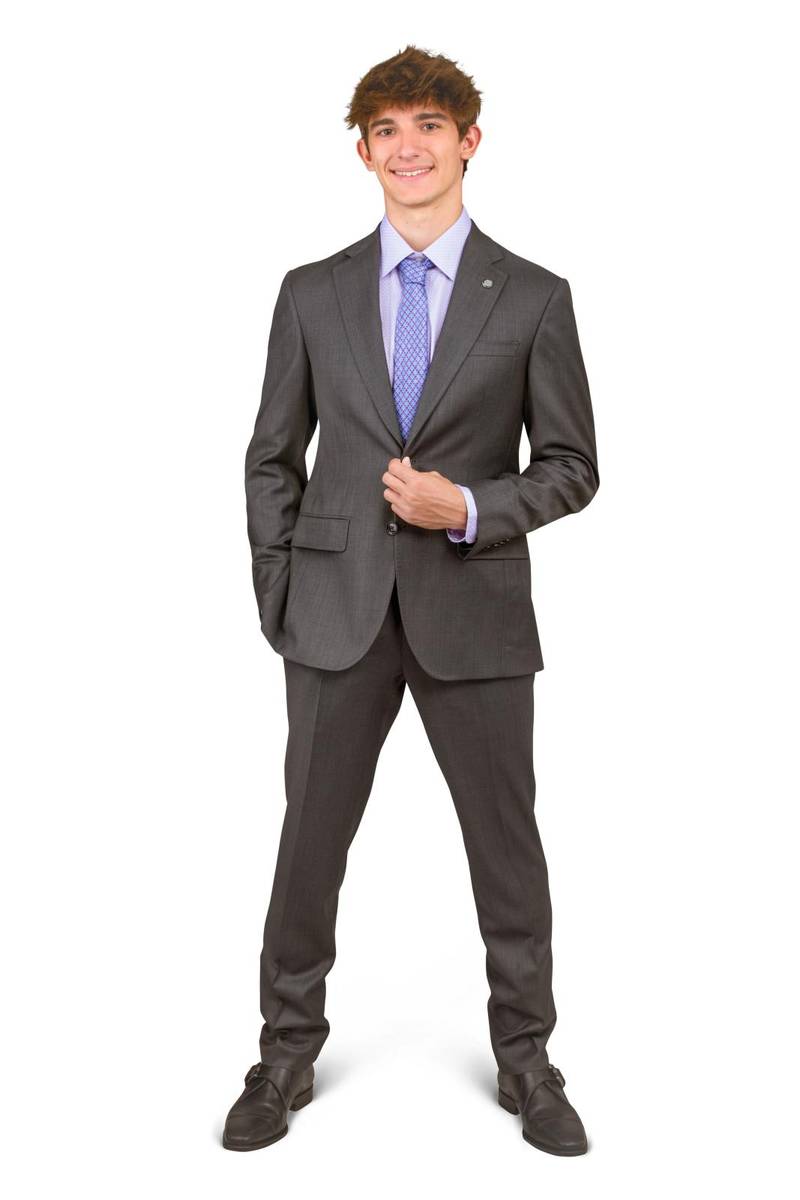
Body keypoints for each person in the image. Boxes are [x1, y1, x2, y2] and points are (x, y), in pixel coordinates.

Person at [223, 44, 599, 1156]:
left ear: (468, 139)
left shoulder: (532, 297)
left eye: (430, 124)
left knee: (505, 847)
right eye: (387, 127)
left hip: (474, 614)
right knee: (310, 845)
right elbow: (269, 458)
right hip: (332, 615)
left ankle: (526, 1061)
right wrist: (280, 593)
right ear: (362, 149)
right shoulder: (312, 291)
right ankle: (283, 1054)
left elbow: (572, 465)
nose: (408, 146)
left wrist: (469, 508)